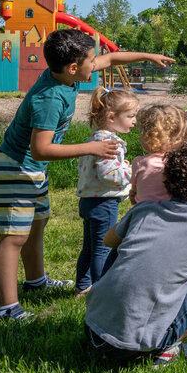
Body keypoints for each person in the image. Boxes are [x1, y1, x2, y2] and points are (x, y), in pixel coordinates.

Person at [0, 28, 174, 322]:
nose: (96, 64)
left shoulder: (68, 74)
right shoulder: (49, 99)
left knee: (37, 224)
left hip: (31, 169)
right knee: (13, 237)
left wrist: (148, 56)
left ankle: (35, 280)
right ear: (74, 68)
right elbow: (40, 149)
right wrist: (91, 147)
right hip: (16, 166)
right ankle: (7, 309)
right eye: (91, 60)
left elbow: (112, 57)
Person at [84, 139, 187, 367]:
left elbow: (108, 240)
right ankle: (171, 343)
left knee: (122, 242)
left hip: (93, 331)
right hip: (133, 348)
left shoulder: (144, 210)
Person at [74, 87, 139, 297]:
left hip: (88, 200)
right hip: (104, 203)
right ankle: (100, 292)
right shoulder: (112, 144)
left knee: (89, 247)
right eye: (130, 116)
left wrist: (120, 167)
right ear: (112, 117)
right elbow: (109, 176)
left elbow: (98, 170)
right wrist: (129, 171)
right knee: (102, 248)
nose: (134, 121)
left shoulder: (93, 139)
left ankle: (83, 286)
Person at [128, 104, 185, 205]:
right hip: (170, 213)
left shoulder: (139, 162)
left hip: (143, 213)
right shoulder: (180, 163)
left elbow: (134, 193)